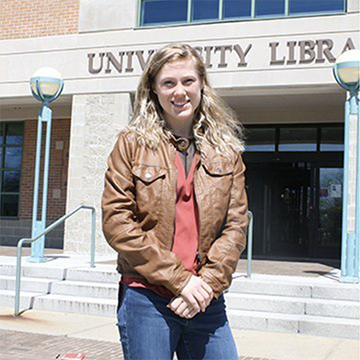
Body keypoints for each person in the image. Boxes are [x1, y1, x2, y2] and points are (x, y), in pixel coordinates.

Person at [102, 43, 248, 360]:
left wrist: (206, 284)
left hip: (205, 297)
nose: (179, 91)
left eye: (187, 81)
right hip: (147, 297)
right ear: (153, 89)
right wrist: (180, 281)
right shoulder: (131, 144)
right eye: (168, 83)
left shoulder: (227, 151)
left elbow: (236, 225)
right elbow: (117, 222)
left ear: (201, 85)